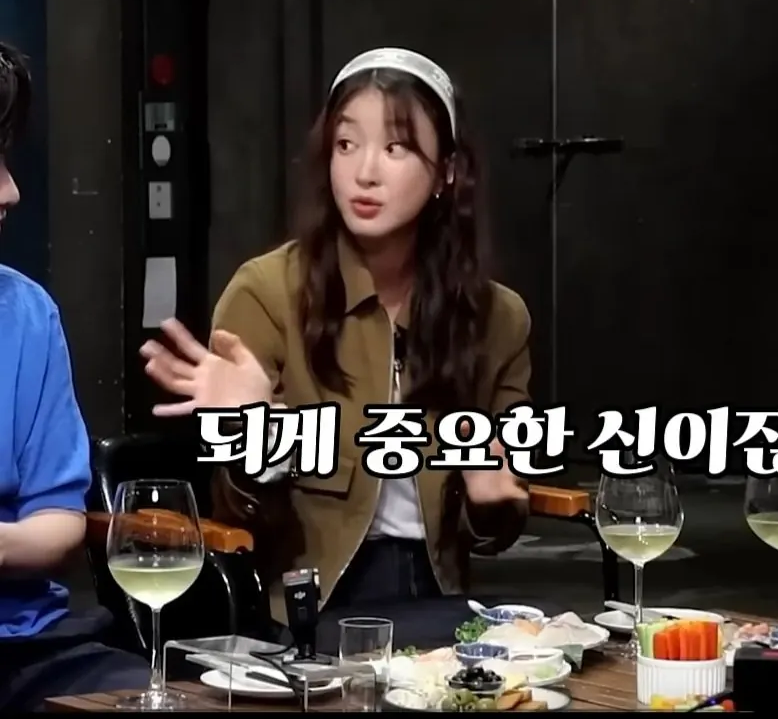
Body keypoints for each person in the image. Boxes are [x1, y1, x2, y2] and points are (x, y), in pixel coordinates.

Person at [142, 47, 532, 618]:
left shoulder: (499, 317)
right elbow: (238, 514)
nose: (364, 172)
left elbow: (497, 529)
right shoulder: (267, 292)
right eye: (346, 144)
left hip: (439, 595)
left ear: (447, 171)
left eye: (395, 147)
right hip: (309, 600)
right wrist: (256, 435)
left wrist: (493, 498)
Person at [0, 42, 151, 711]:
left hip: (24, 644)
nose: (11, 190)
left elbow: (57, 523)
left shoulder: (28, 315)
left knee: (141, 695)